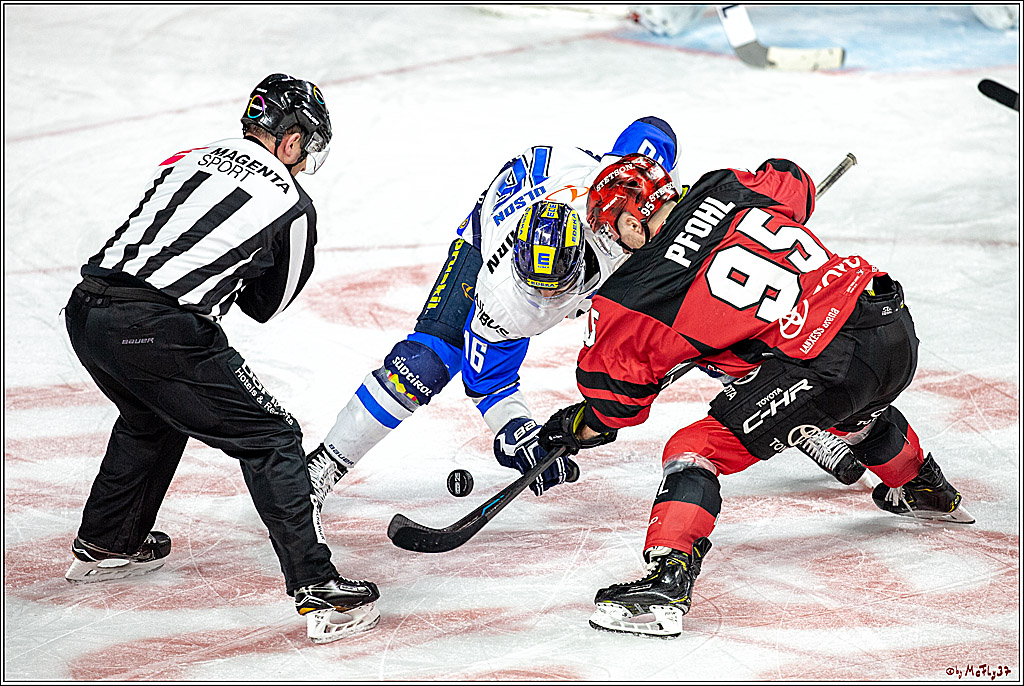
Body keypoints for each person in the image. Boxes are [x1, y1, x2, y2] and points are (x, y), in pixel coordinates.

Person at [538, 153, 975, 639]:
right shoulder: (721, 186)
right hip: (887, 322)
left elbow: (613, 408)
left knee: (692, 448)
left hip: (825, 361)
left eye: (613, 229)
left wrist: (568, 429)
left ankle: (666, 587)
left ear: (629, 219)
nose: (615, 242)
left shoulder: (632, 295)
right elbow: (795, 181)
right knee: (840, 409)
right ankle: (924, 487)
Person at [62, 74, 379, 645]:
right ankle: (318, 588)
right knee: (273, 438)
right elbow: (266, 305)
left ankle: (109, 541)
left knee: (151, 416)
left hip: (86, 310)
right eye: (305, 149)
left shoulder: (190, 157)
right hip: (157, 328)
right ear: (290, 141)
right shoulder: (291, 201)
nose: (304, 163)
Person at [305, 118, 681, 506]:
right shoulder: (505, 295)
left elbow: (652, 132)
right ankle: (324, 465)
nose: (547, 303)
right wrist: (516, 430)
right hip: (492, 229)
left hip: (568, 179)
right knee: (423, 364)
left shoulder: (632, 190)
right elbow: (490, 381)